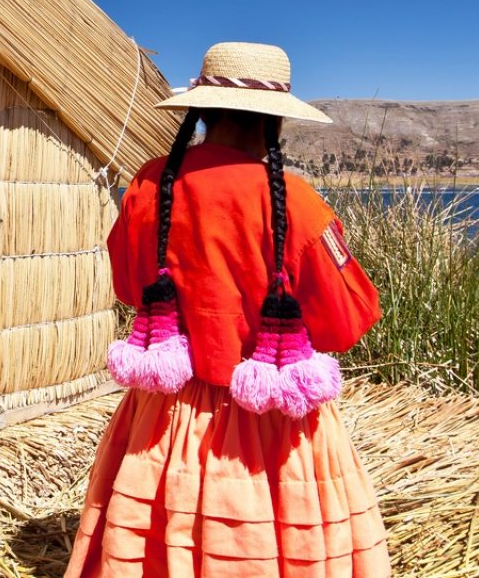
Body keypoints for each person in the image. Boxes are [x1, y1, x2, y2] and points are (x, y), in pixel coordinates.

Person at [66, 42, 391, 577]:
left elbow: (130, 288)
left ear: (201, 111)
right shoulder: (296, 203)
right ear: (275, 124)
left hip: (165, 418)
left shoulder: (152, 187)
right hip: (272, 422)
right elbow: (344, 324)